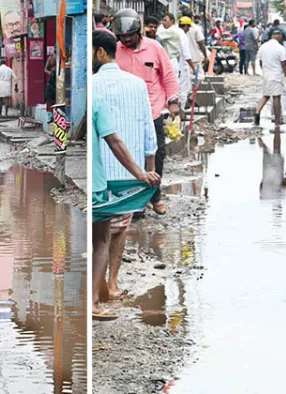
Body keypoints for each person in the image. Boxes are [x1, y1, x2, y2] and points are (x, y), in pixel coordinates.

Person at [93, 30, 158, 308]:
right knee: (118, 231)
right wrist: (148, 175)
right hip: (130, 173)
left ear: (99, 53)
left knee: (101, 234)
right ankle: (112, 283)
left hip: (101, 172)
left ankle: (98, 293)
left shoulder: (91, 86)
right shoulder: (137, 84)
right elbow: (148, 131)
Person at [92, 96, 161, 320]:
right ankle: (95, 299)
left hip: (97, 180)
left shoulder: (93, 96)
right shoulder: (98, 101)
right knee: (101, 241)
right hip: (97, 184)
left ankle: (100, 290)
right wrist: (141, 173)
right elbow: (114, 141)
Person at [114, 8, 179, 215]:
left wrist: (173, 101)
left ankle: (154, 195)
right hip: (125, 114)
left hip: (152, 112)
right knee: (129, 156)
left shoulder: (155, 48)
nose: (126, 40)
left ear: (138, 32)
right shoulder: (115, 51)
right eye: (122, 37)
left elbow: (168, 75)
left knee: (155, 155)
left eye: (129, 36)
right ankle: (135, 201)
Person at [254, 29, 286, 126]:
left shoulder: (263, 47)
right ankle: (277, 121)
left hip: (266, 75)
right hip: (276, 76)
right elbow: (284, 64)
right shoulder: (280, 48)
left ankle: (257, 112)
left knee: (266, 95)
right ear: (278, 35)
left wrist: (265, 71)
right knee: (276, 97)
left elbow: (260, 62)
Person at [159, 13, 194, 108]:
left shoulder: (173, 32)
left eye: (165, 20)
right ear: (186, 26)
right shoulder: (179, 33)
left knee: (175, 87)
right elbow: (186, 54)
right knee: (181, 89)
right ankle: (180, 110)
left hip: (174, 62)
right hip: (178, 64)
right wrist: (193, 68)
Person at [258, 129, 286, 200]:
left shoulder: (281, 197)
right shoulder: (264, 197)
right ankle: (258, 136)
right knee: (265, 150)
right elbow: (260, 186)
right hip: (267, 172)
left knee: (276, 149)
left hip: (277, 172)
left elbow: (285, 183)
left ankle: (277, 128)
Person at [182, 9, 208, 75]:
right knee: (199, 78)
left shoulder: (177, 27)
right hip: (194, 59)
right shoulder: (196, 28)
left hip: (182, 60)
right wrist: (205, 56)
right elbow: (201, 44)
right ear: (192, 18)